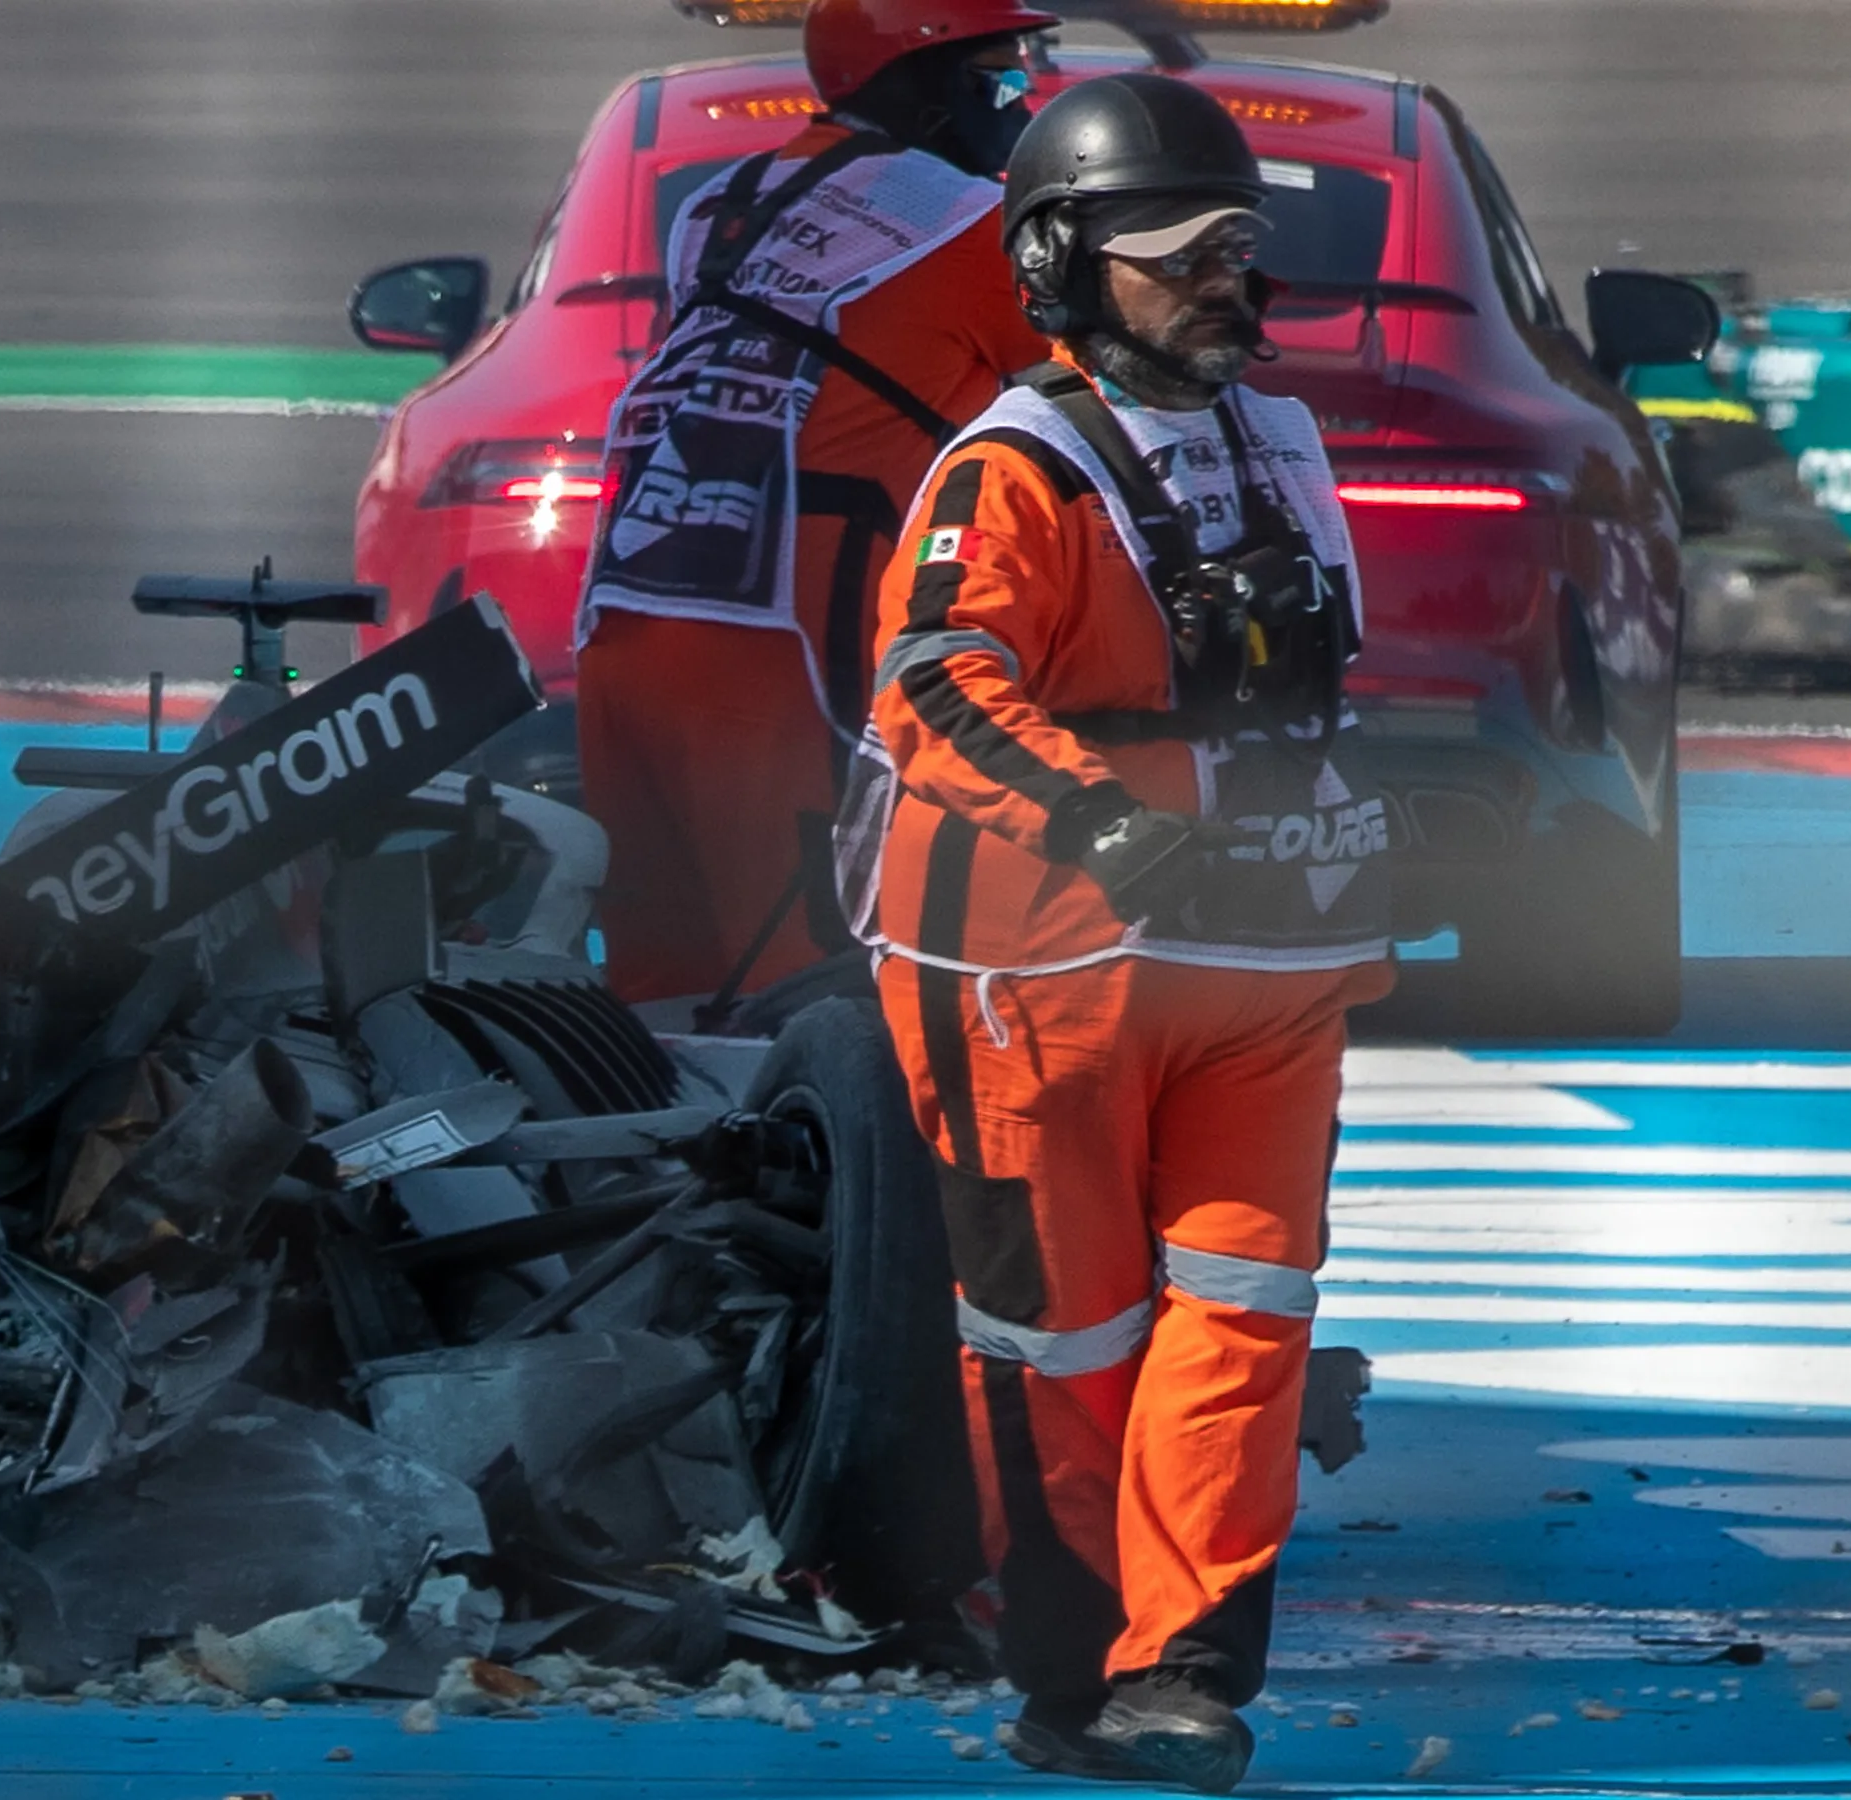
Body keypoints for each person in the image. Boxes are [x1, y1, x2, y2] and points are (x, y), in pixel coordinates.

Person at [848, 72, 1395, 1793]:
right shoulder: (1012, 468)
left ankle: (1185, 1677)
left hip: (1272, 965)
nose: (1228, 282)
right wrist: (1099, 825)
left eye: (1241, 249)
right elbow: (936, 682)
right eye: (1179, 257)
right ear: (1062, 268)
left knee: (1244, 1310)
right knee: (1061, 1337)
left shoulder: (1285, 439)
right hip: (1031, 973)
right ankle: (1073, 1667)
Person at [572, 0, 1055, 1011]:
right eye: (1006, 77)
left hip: (630, 615)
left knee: (661, 997)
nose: (1024, 101)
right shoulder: (970, 226)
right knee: (810, 995)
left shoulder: (722, 200)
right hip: (775, 655)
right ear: (927, 86)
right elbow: (1107, 391)